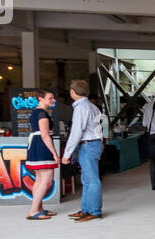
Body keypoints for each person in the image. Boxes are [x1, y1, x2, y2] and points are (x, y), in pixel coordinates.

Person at [62, 79, 104, 221]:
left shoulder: (81, 108)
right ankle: (86, 209)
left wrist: (67, 153)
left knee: (91, 180)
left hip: (88, 144)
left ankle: (94, 211)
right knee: (86, 179)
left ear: (72, 92)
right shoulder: (92, 106)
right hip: (94, 143)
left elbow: (76, 132)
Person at [24, 89, 60, 220]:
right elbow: (45, 135)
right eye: (50, 98)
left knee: (39, 179)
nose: (53, 100)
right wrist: (55, 154)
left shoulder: (36, 112)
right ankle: (33, 210)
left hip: (36, 145)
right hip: (42, 146)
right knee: (46, 179)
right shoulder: (42, 114)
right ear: (41, 99)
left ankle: (38, 208)